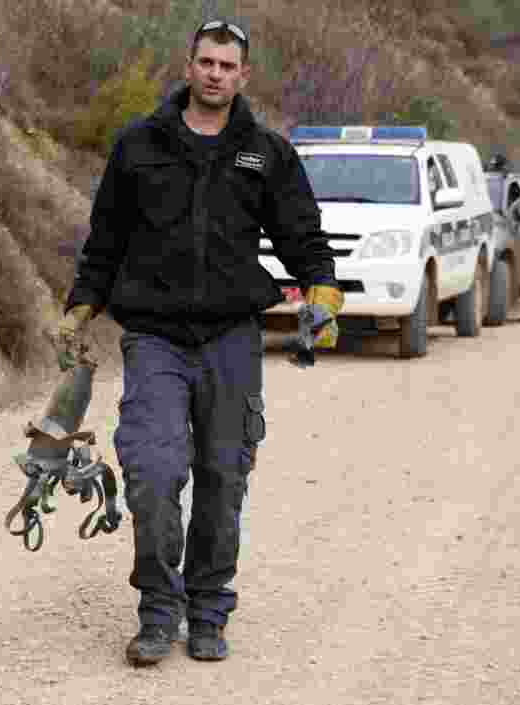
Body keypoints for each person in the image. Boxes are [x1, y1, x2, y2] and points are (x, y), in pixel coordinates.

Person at [56, 19, 343, 666]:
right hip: (154, 337)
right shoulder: (138, 145)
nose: (215, 73)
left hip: (230, 338)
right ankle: (159, 611)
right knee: (153, 473)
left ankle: (209, 610)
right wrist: (80, 307)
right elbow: (104, 240)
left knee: (222, 476)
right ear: (188, 66)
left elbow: (302, 234)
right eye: (205, 61)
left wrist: (321, 291)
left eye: (227, 65)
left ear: (243, 76)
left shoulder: (265, 153)